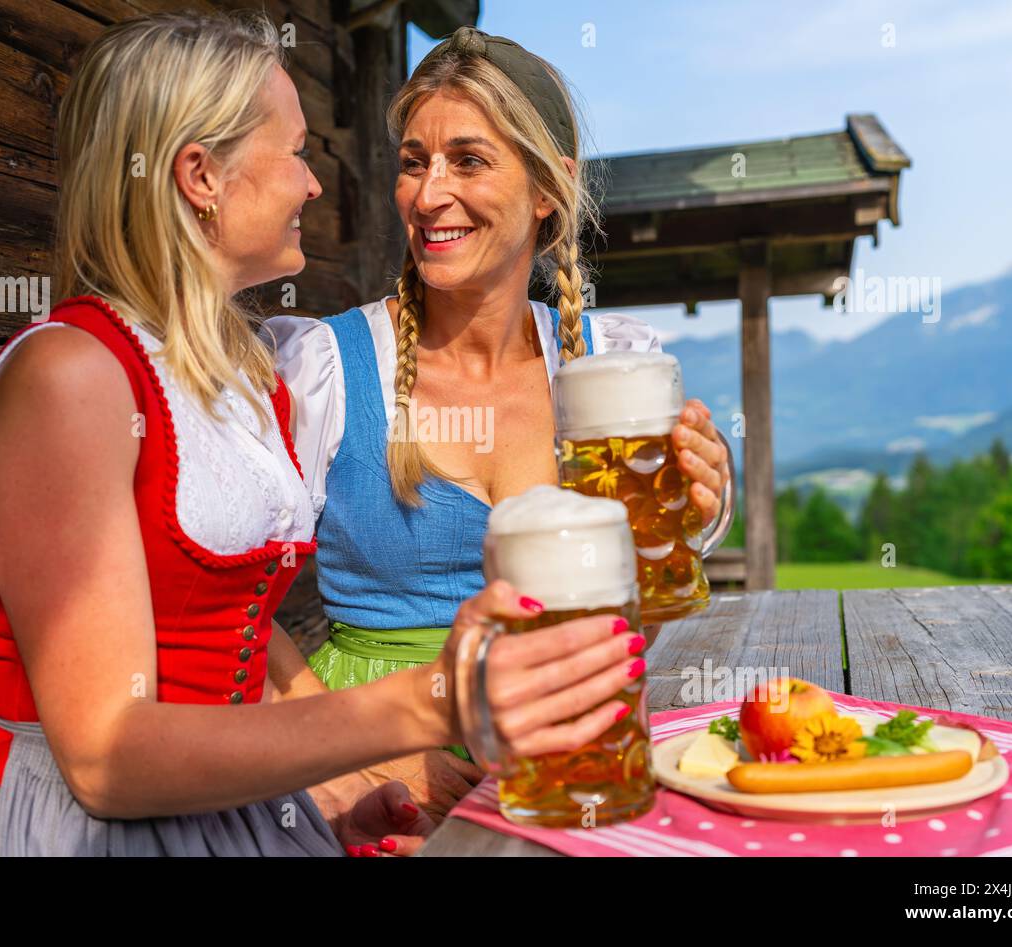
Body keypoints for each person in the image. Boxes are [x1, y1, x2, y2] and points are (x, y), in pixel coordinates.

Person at [0, 12, 647, 858]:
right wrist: (426, 704)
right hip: (38, 821)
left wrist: (321, 796)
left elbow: (217, 640)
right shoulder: (69, 375)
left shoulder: (229, 380)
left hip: (212, 812)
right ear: (200, 175)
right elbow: (101, 757)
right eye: (298, 152)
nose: (316, 185)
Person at [270, 27, 733, 823]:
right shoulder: (324, 367)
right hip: (366, 768)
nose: (428, 192)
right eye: (415, 162)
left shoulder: (610, 373)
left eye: (469, 160)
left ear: (550, 186)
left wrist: (689, 516)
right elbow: (226, 604)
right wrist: (344, 753)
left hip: (571, 754)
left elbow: (631, 623)